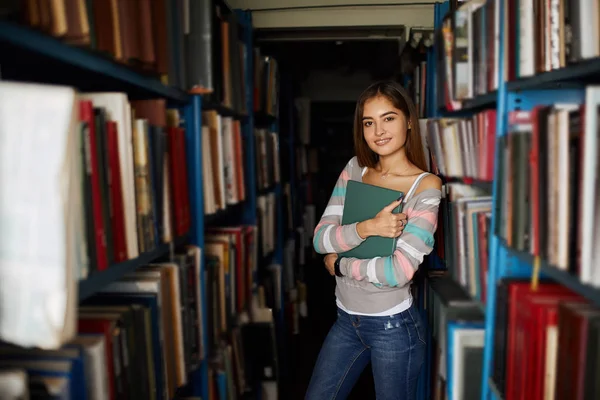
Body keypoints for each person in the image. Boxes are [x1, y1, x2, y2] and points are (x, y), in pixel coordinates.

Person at [305, 80, 442, 400]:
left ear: (408, 120)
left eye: (388, 118)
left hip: (393, 328)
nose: (378, 130)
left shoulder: (425, 187)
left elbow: (397, 272)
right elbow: (320, 239)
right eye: (369, 122)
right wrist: (367, 227)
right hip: (345, 320)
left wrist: (339, 264)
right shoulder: (355, 169)